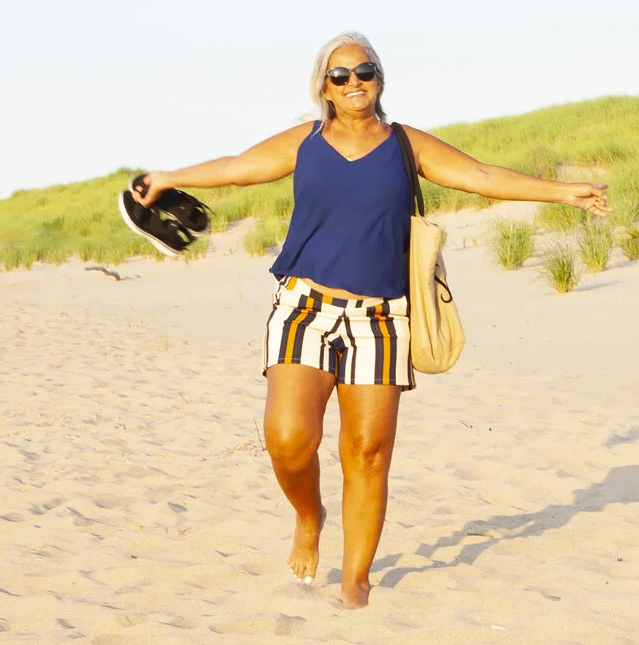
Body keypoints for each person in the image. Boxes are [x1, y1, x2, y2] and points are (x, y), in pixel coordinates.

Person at [133, 32, 606, 609]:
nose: (354, 82)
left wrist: (565, 194)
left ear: (380, 78)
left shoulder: (406, 145)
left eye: (365, 71)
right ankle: (310, 516)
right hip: (305, 307)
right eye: (341, 75)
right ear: (323, 87)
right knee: (287, 437)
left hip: (382, 319)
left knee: (369, 452)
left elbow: (481, 176)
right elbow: (236, 168)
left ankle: (356, 578)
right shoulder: (306, 142)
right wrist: (165, 178)